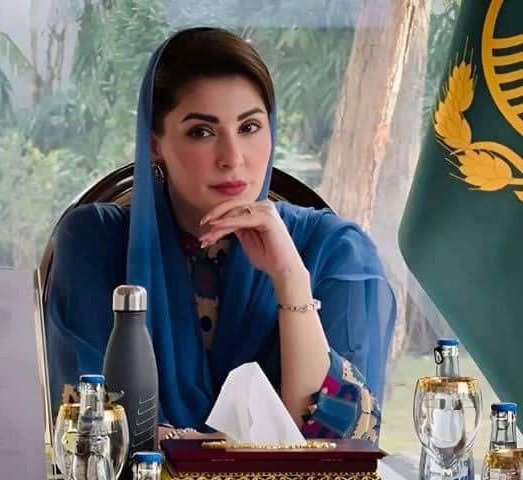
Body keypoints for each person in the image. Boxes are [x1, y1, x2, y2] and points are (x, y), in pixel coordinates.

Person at [45, 27, 396, 443]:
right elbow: (91, 433)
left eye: (250, 127)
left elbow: (335, 445)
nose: (232, 158)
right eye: (202, 132)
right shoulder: (94, 243)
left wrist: (291, 281)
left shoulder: (337, 251)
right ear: (155, 144)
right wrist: (246, 450)